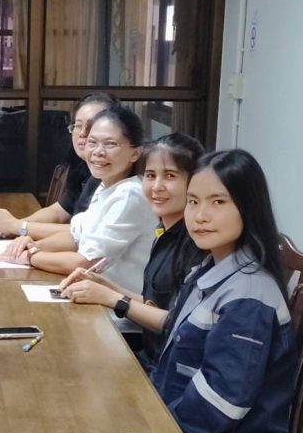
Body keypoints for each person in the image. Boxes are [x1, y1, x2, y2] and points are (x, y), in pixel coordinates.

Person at [92, 149, 295, 433]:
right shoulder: (210, 270)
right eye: (193, 202)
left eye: (218, 202)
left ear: (248, 208)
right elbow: (178, 338)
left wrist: (156, 432)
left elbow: (220, 403)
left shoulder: (248, 298)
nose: (200, 216)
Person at [60, 133, 206, 367]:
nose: (157, 187)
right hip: (149, 356)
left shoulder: (195, 243)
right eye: (150, 175)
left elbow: (178, 321)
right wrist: (105, 285)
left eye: (170, 176)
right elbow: (155, 303)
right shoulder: (163, 232)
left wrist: (112, 297)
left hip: (163, 365)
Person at [0, 104, 156, 289]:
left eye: (110, 144)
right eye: (92, 142)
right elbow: (76, 235)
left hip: (115, 303)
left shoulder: (130, 194)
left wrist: (31, 256)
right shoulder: (106, 185)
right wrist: (35, 246)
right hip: (92, 293)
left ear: (135, 153)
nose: (98, 151)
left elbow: (86, 263)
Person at [0, 92, 115, 242]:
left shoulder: (115, 179)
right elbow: (60, 211)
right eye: (78, 126)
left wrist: (17, 227)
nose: (83, 133)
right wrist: (13, 225)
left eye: (92, 126)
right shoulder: (82, 166)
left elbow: (83, 233)